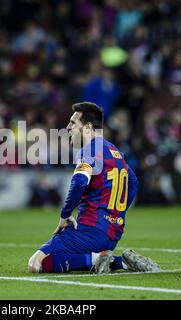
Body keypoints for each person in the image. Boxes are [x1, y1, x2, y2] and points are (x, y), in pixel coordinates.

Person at [27, 102, 160, 274]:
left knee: (36, 263)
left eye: (73, 123)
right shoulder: (114, 151)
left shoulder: (89, 150)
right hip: (113, 233)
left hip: (90, 230)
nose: (68, 127)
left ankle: (100, 259)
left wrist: (65, 214)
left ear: (88, 127)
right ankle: (122, 263)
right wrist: (115, 214)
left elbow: (80, 181)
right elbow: (133, 183)